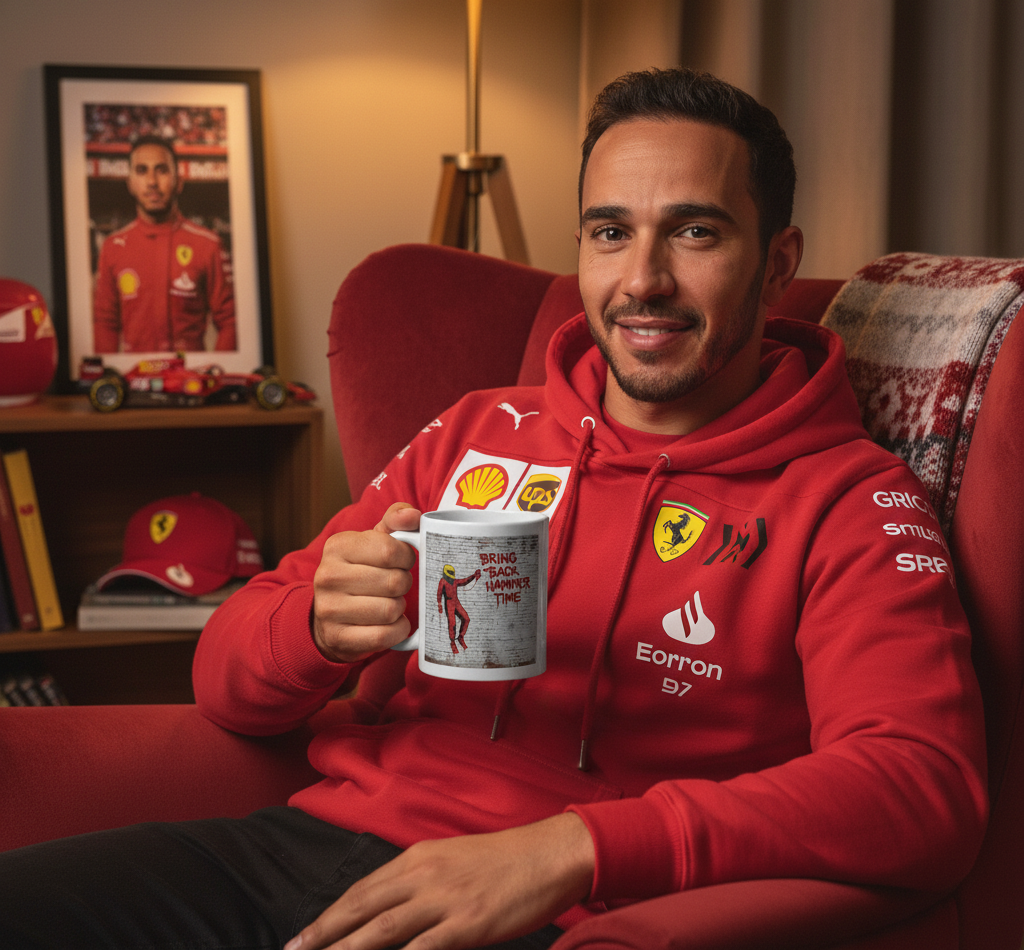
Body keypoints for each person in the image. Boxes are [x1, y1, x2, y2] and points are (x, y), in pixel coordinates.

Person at [0, 68, 986, 950]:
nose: (641, 279)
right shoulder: (479, 431)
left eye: (694, 231)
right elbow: (224, 681)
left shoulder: (850, 497)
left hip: (562, 908)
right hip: (310, 852)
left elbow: (919, 786)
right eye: (610, 232)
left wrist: (574, 850)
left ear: (775, 265)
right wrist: (313, 627)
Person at [92, 134, 237, 354]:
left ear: (179, 182)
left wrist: (215, 373)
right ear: (130, 184)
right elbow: (105, 322)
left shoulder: (208, 245)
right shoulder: (113, 247)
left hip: (190, 382)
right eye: (142, 171)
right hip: (134, 381)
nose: (152, 181)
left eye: (162, 170)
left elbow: (230, 321)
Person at [437, 563, 482, 653]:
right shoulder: (443, 581)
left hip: (456, 601)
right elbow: (439, 593)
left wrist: (473, 576)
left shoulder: (454, 581)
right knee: (452, 623)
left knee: (466, 618)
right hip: (449, 602)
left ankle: (461, 637)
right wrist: (440, 604)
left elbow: (464, 581)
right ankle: (452, 642)